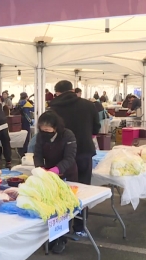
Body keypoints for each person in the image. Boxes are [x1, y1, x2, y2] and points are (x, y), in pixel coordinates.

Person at [49, 80, 100, 238]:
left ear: (57, 92)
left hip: (61, 156)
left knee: (61, 191)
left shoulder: (53, 108)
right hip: (84, 151)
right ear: (72, 90)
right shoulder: (88, 105)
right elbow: (96, 128)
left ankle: (61, 228)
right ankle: (80, 226)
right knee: (82, 189)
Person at [33, 111, 77, 254]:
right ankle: (52, 236)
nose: (44, 132)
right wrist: (40, 169)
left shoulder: (68, 135)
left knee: (65, 206)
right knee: (51, 206)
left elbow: (70, 158)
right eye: (42, 129)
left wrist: (56, 170)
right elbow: (37, 154)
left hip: (67, 173)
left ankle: (62, 238)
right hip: (49, 174)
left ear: (56, 127)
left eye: (47, 130)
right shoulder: (40, 137)